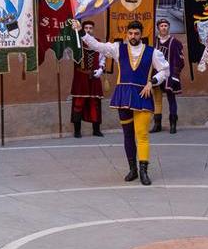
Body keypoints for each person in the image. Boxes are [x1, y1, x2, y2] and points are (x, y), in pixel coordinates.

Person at [71, 18, 168, 184]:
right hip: (123, 97)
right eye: (130, 33)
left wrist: (151, 82)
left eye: (136, 33)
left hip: (142, 96)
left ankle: (144, 171)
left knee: (142, 134)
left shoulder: (152, 52)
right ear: (127, 34)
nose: (133, 36)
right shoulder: (118, 49)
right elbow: (96, 46)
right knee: (128, 135)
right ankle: (133, 170)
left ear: (141, 34)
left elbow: (165, 70)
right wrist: (81, 31)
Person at [69, 19, 106, 139]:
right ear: (82, 29)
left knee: (95, 103)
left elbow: (102, 59)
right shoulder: (76, 43)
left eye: (90, 28)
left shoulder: (98, 43)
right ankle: (77, 131)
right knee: (78, 103)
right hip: (80, 77)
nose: (88, 30)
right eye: (86, 28)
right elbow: (68, 54)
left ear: (93, 29)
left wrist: (100, 70)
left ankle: (96, 130)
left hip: (94, 77)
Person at [152, 18, 185, 133]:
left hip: (169, 75)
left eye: (166, 25)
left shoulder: (175, 42)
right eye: (161, 26)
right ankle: (157, 125)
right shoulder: (153, 42)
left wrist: (175, 74)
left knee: (171, 99)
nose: (164, 28)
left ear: (168, 27)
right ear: (158, 28)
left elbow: (180, 60)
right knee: (157, 100)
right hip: (156, 74)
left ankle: (173, 124)